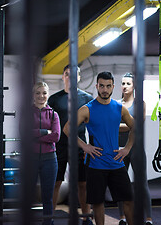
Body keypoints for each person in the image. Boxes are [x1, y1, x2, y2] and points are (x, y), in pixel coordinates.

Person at [63, 71, 135, 225]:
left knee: (129, 200)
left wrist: (127, 148)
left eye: (108, 86)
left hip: (116, 162)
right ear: (96, 86)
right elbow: (67, 128)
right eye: (101, 86)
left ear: (113, 87)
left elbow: (135, 127)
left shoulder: (119, 108)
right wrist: (85, 146)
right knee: (98, 203)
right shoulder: (87, 109)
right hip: (96, 164)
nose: (104, 89)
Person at [48, 65, 93, 225]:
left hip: (80, 146)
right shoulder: (53, 99)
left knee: (83, 183)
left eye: (74, 75)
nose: (70, 77)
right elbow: (48, 124)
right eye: (67, 74)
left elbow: (92, 125)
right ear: (63, 77)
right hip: (58, 146)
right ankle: (49, 218)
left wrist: (91, 147)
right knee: (55, 182)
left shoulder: (88, 99)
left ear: (79, 77)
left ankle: (86, 217)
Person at [117, 73, 153, 225]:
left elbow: (137, 126)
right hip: (119, 149)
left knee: (142, 183)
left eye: (128, 84)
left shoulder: (140, 104)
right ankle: (122, 218)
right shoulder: (116, 104)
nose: (124, 86)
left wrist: (121, 126)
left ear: (134, 86)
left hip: (136, 149)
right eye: (123, 83)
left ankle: (149, 219)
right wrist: (129, 125)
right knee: (120, 184)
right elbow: (114, 126)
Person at [32, 82, 61, 225]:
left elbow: (56, 136)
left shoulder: (54, 114)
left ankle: (48, 222)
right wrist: (45, 132)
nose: (41, 96)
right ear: (33, 95)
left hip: (49, 160)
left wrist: (35, 135)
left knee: (47, 197)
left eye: (44, 93)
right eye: (37, 93)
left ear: (47, 94)